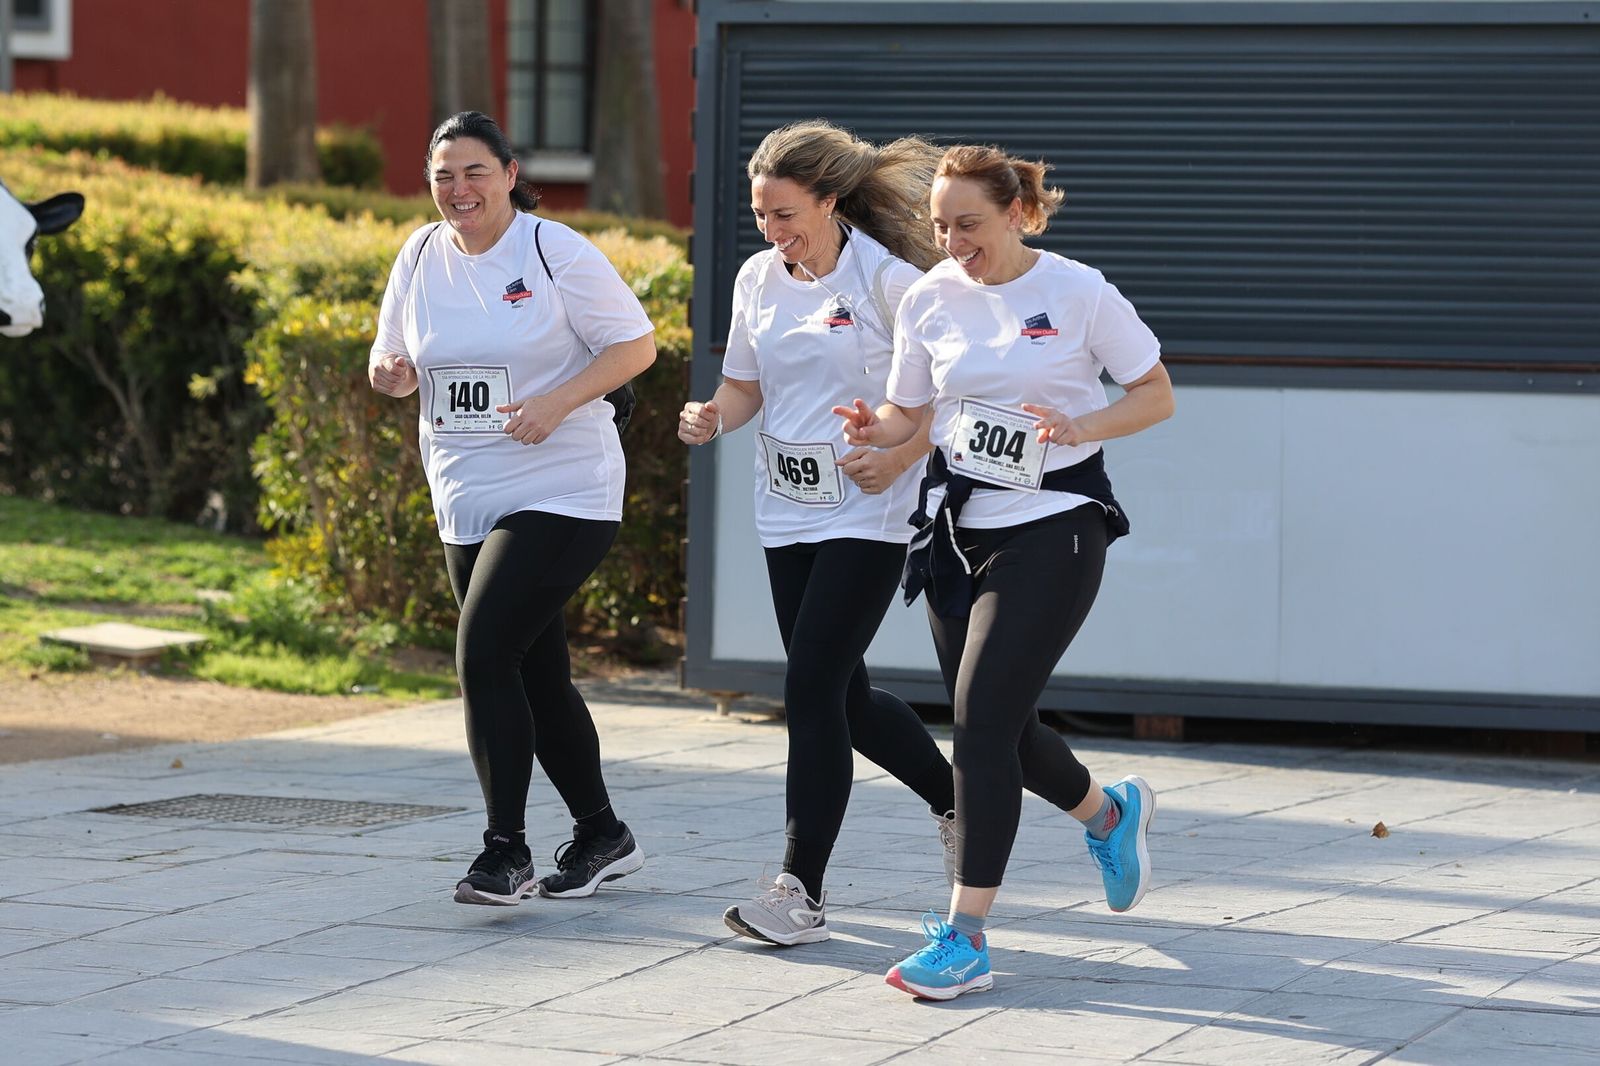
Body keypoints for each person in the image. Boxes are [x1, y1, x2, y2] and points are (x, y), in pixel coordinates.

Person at [836, 144, 1175, 998]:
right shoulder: (928, 298)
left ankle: (966, 936)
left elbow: (1155, 393)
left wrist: (1081, 422)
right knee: (1005, 729)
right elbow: (912, 410)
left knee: (980, 722)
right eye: (941, 226)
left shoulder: (1076, 290)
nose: (953, 241)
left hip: (1055, 525)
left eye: (970, 225)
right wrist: (875, 429)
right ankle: (1110, 812)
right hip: (957, 531)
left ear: (1019, 213)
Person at [678, 120, 958, 945]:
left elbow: (953, 391)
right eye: (761, 215)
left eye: (785, 214)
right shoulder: (760, 278)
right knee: (845, 695)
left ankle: (800, 891)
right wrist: (711, 418)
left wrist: (900, 451)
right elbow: (743, 385)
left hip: (869, 509)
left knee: (809, 686)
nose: (772, 231)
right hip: (785, 508)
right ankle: (958, 802)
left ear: (831, 201)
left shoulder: (890, 283)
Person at [369, 111, 655, 906]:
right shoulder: (420, 254)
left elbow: (635, 346)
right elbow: (390, 351)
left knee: (484, 650)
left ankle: (507, 854)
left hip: (563, 484)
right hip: (464, 490)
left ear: (508, 173)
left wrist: (559, 403)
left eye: (474, 173)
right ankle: (603, 833)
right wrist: (388, 372)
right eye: (443, 176)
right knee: (534, 671)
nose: (458, 190)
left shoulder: (552, 249)